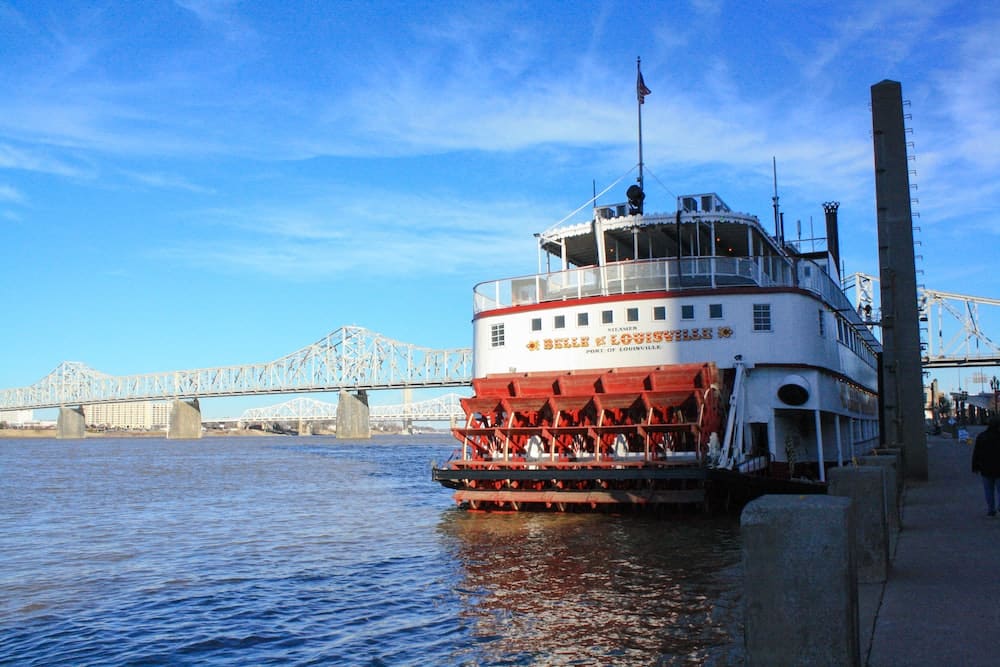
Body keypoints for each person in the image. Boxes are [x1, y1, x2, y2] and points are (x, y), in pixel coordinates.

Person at [971, 417, 1000, 516]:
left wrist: (975, 466)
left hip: (986, 468)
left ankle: (991, 509)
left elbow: (976, 453)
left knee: (988, 490)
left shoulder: (982, 436)